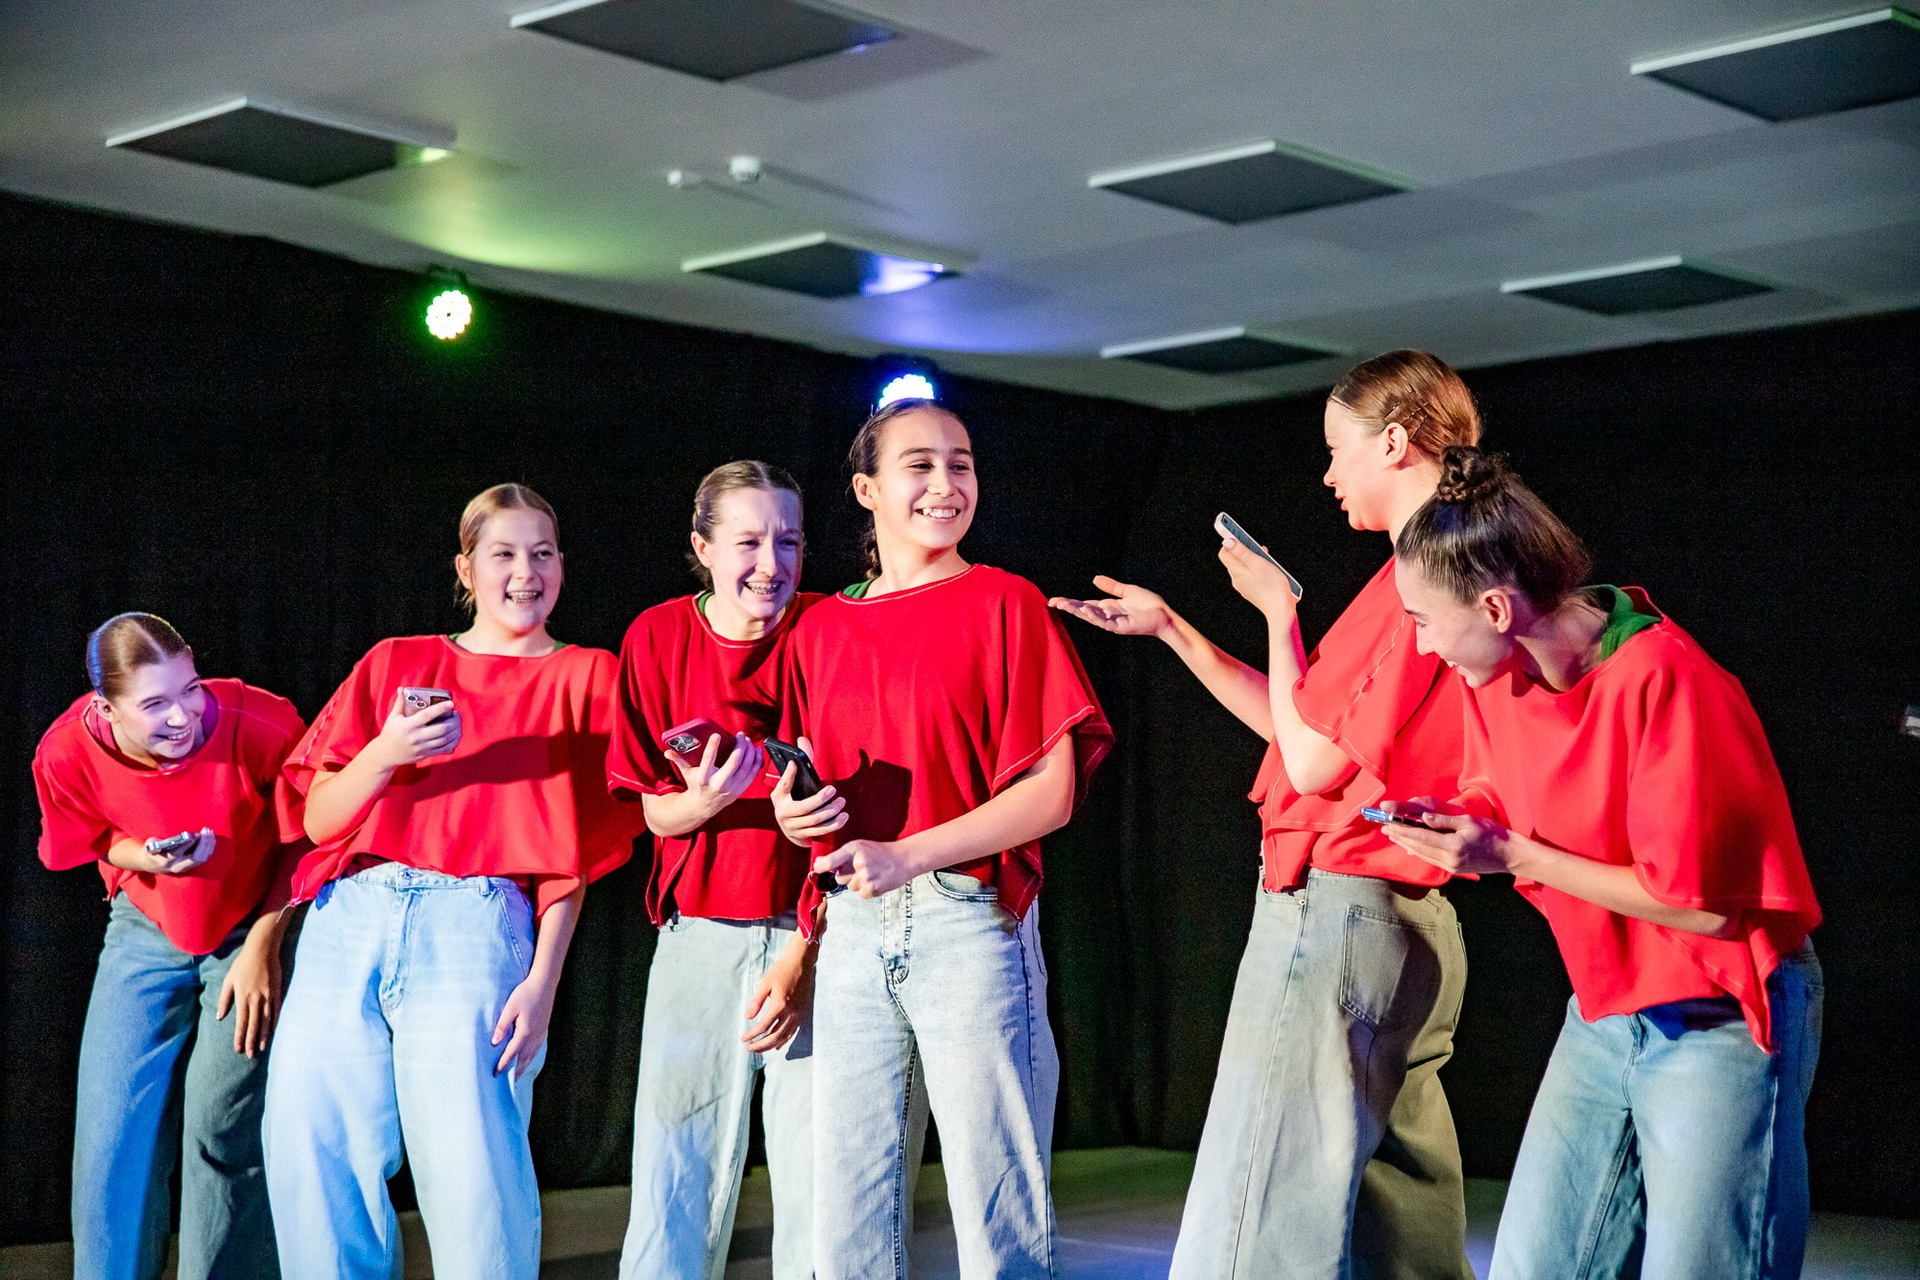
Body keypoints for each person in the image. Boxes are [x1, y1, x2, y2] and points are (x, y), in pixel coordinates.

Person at [1052, 350, 1483, 1279]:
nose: (1328, 475)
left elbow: (1312, 761)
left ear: (1395, 443)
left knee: (1256, 1216)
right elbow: (1302, 730)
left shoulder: (1418, 578)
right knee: (1399, 1225)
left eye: (1337, 450)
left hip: (1343, 916)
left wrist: (1280, 616)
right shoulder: (1443, 570)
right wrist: (1177, 631)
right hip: (1400, 921)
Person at [1384, 447, 1823, 1280]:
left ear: (1495, 607)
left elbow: (1701, 906)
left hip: (1720, 1012)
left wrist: (1511, 853)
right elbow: (1495, 788)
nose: (1421, 643)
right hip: (1605, 1012)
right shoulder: (1496, 677)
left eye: (1424, 620)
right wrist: (1459, 823)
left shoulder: (1666, 678)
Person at [264, 483, 641, 1280]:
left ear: (562, 565)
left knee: (475, 1175)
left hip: (474, 918)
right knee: (311, 1150)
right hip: (351, 910)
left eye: (542, 553)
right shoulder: (396, 662)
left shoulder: (587, 676)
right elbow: (321, 820)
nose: (525, 572)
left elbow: (571, 855)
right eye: (503, 554)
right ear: (466, 569)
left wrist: (543, 982)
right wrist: (386, 752)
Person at [773, 398, 1112, 1279]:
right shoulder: (820, 628)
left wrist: (910, 854)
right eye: (919, 465)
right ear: (866, 490)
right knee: (847, 1218)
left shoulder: (1004, 602)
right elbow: (809, 781)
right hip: (852, 926)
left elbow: (1053, 794)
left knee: (997, 1210)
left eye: (960, 464)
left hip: (968, 921)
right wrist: (792, 814)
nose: (945, 483)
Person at [32, 611, 305, 1280]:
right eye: (155, 704)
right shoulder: (66, 750)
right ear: (107, 708)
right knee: (111, 1140)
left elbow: (309, 840)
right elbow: (91, 839)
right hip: (145, 927)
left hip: (247, 929)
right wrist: (148, 857)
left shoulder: (259, 723)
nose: (183, 716)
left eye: (190, 689)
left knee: (221, 1129)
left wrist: (263, 946)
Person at [608, 461, 821, 1280]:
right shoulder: (657, 636)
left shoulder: (828, 628)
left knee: (820, 1181)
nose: (771, 563)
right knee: (675, 1172)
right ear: (702, 547)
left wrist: (806, 948)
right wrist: (702, 801)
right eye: (748, 542)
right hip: (699, 930)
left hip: (815, 933)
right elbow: (649, 811)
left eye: (789, 542)